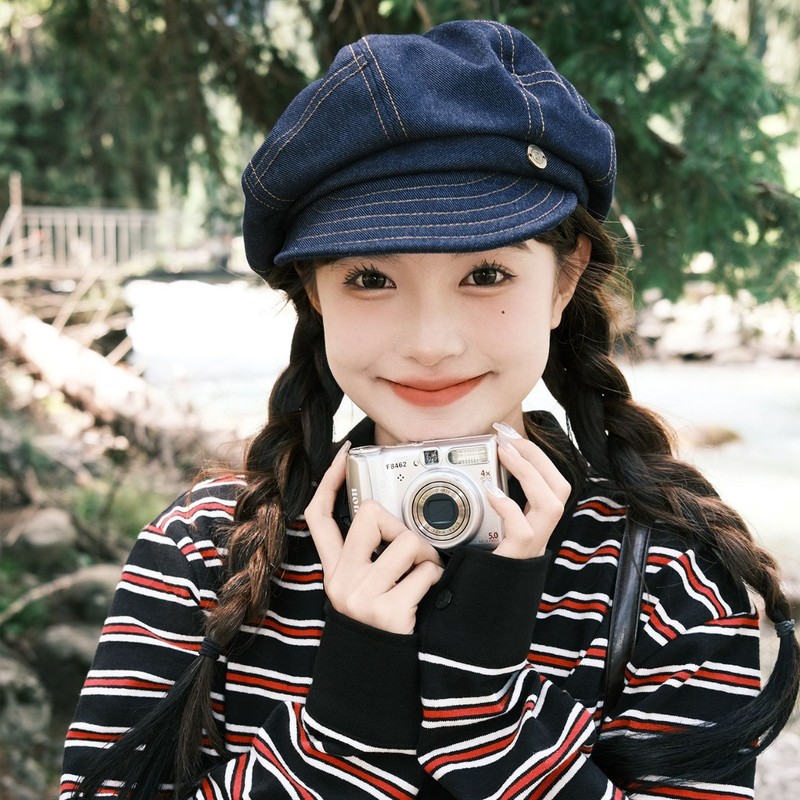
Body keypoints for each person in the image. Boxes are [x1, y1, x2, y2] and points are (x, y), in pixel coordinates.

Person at [61, 19, 799, 800]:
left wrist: (487, 714)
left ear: (563, 279)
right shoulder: (205, 552)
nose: (431, 343)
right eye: (370, 279)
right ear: (315, 292)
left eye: (486, 274)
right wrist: (343, 732)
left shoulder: (669, 575)